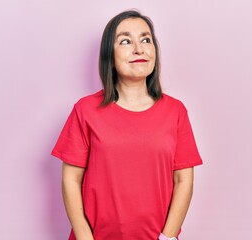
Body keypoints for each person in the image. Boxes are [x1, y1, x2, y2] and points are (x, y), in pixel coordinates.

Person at [51, 10, 203, 240]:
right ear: (109, 56)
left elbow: (183, 180)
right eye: (125, 41)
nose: (139, 49)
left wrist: (167, 237)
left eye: (145, 39)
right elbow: (71, 179)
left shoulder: (176, 111)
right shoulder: (85, 110)